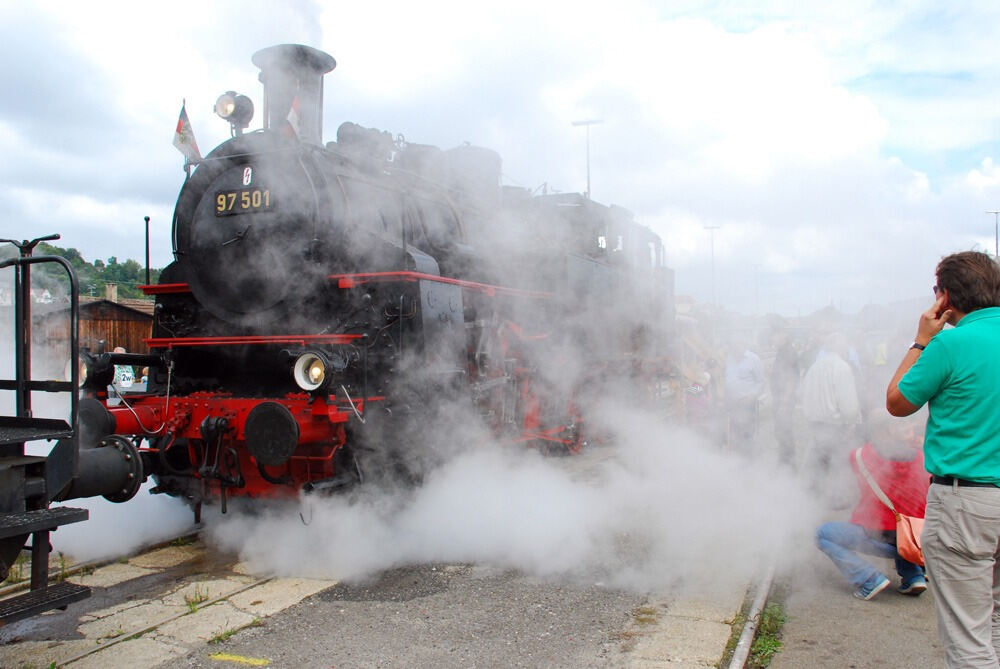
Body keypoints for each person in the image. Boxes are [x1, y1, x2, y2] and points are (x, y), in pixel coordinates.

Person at [887, 250, 1000, 668]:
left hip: (966, 503)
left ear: (946, 296)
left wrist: (921, 339)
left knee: (968, 642)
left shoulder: (950, 344)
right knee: (995, 627)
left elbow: (897, 402)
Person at [815, 410, 928, 600]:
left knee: (823, 533)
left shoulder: (860, 456)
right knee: (904, 520)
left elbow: (845, 492)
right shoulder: (922, 458)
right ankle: (914, 576)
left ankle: (868, 579)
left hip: (881, 539)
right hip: (916, 541)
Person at [800, 332, 861, 500]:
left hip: (816, 423)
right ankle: (834, 498)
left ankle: (815, 497)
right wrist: (851, 422)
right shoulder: (842, 367)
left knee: (820, 462)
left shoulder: (815, 367)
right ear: (840, 347)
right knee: (838, 463)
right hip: (835, 425)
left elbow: (805, 394)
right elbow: (848, 404)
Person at [722, 342, 765, 452]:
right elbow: (726, 379)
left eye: (737, 346)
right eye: (733, 346)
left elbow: (761, 382)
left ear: (743, 345)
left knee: (747, 433)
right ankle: (736, 459)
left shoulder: (754, 359)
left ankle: (747, 462)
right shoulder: (728, 359)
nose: (735, 349)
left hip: (747, 403)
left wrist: (752, 396)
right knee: (734, 433)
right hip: (732, 403)